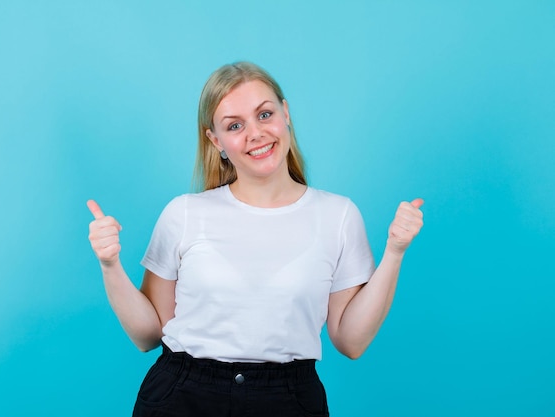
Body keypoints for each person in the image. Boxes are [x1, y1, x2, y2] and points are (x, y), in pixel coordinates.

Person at [87, 61, 424, 417]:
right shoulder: (184, 213)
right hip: (183, 396)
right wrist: (110, 265)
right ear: (215, 140)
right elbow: (147, 336)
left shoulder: (338, 215)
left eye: (265, 115)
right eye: (235, 125)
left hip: (288, 398)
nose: (256, 134)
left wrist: (395, 253)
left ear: (286, 113)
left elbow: (351, 341)